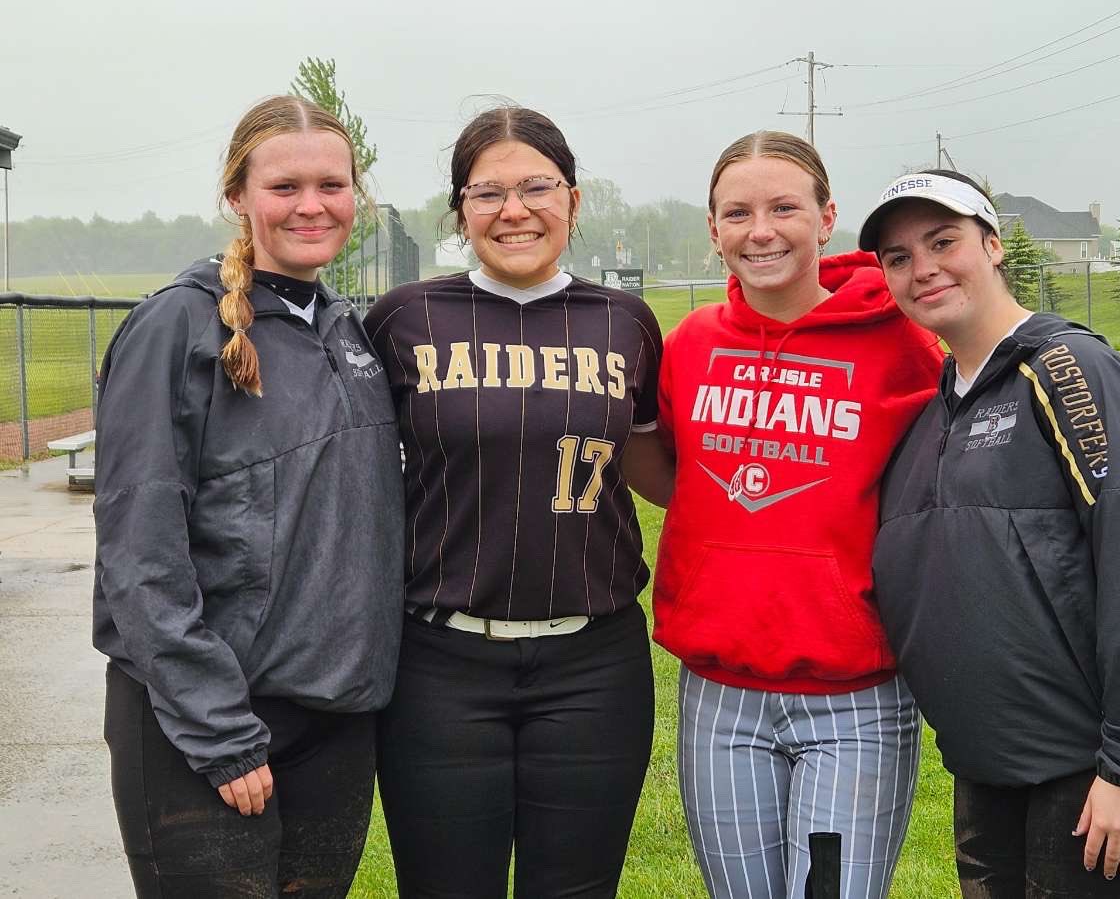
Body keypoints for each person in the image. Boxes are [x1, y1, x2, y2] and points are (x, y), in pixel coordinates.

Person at [93, 95, 406, 899]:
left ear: (356, 196)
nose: (312, 206)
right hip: (207, 724)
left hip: (332, 721)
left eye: (332, 185)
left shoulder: (343, 328)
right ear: (238, 196)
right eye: (284, 186)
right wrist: (220, 730)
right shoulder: (177, 327)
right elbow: (139, 549)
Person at [862, 169, 1120, 897]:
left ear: (992, 245)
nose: (923, 268)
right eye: (898, 256)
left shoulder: (1070, 369)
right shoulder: (934, 414)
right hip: (992, 763)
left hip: (1093, 767)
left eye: (943, 241)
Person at [364, 105, 670, 899]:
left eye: (537, 186)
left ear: (572, 197)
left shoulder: (626, 322)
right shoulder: (404, 318)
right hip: (441, 659)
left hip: (592, 660)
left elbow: (653, 463)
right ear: (460, 210)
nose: (514, 210)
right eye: (486, 192)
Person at [651, 131, 944, 899]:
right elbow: (676, 478)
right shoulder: (690, 345)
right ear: (713, 229)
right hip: (720, 695)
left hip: (854, 697)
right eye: (738, 212)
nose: (762, 230)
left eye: (785, 207)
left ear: (827, 216)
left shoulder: (903, 345)